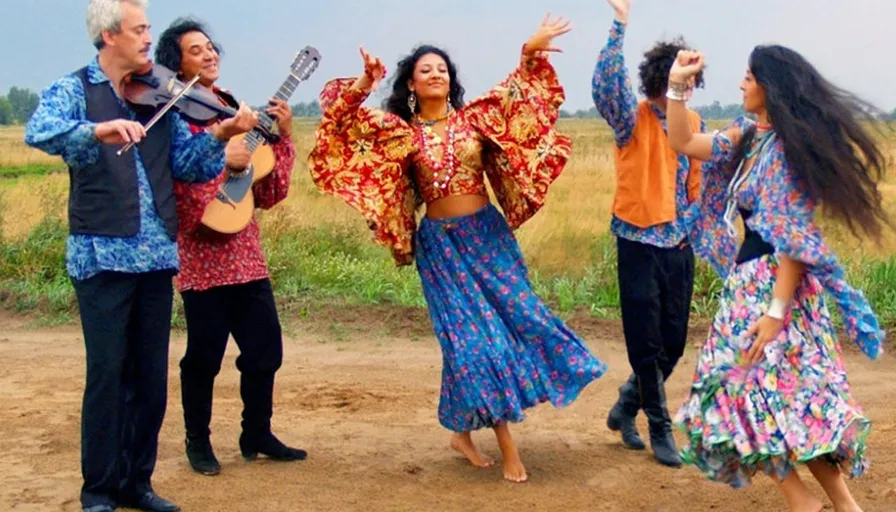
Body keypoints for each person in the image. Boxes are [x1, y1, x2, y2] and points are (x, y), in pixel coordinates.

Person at [307, 14, 607, 483]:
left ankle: (461, 432)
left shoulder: (474, 121)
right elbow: (339, 118)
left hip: (487, 240)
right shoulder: (399, 133)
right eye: (426, 69)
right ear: (410, 82)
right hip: (441, 249)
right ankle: (507, 446)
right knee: (475, 346)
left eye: (443, 69)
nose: (436, 74)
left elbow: (516, 94)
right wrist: (365, 80)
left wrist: (530, 51)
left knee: (516, 323)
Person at [24, 1, 257, 511]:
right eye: (141, 29)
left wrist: (221, 134)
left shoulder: (161, 98)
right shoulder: (76, 88)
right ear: (110, 36)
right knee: (109, 374)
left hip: (156, 256)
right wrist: (95, 131)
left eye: (149, 28)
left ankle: (137, 482)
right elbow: (37, 131)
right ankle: (99, 491)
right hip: (102, 253)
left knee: (150, 379)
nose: (151, 39)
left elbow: (190, 168)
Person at [665, 46, 888, 512]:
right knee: (766, 399)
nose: (742, 84)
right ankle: (826, 503)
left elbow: (792, 239)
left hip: (774, 293)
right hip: (750, 288)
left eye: (750, 77)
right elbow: (685, 142)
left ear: (771, 86)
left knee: (765, 397)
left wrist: (773, 314)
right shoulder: (750, 137)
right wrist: (677, 86)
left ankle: (813, 502)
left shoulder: (785, 152)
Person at [153, 17, 306, 477]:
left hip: (246, 254)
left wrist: (283, 140)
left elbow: (270, 193)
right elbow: (176, 177)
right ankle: (197, 442)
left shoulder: (233, 108)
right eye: (196, 50)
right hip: (202, 255)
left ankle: (255, 432)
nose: (209, 54)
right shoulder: (172, 112)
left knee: (266, 350)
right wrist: (223, 159)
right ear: (175, 63)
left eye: (210, 48)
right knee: (204, 355)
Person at [591, 0, 705, 467]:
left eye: (696, 76)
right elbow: (606, 86)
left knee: (674, 342)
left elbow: (694, 186)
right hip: (637, 241)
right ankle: (660, 427)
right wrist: (619, 25)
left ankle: (625, 404)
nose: (692, 84)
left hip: (679, 245)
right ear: (663, 76)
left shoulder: (693, 123)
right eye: (685, 75)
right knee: (646, 341)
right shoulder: (630, 119)